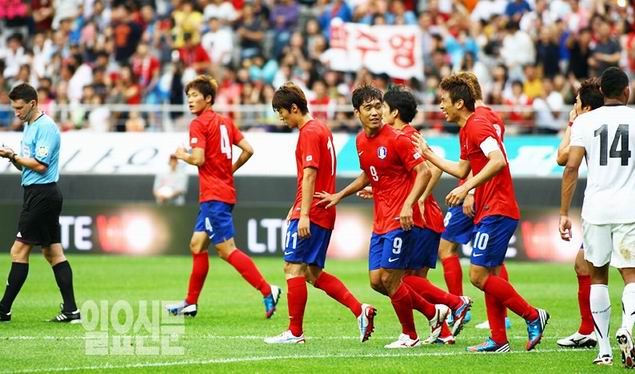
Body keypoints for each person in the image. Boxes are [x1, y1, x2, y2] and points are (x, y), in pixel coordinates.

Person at [413, 75, 549, 353]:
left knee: (477, 275)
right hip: (489, 208)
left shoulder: (478, 125)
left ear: (460, 103)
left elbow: (498, 160)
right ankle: (498, 339)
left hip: (497, 208)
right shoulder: (466, 129)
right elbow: (463, 170)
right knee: (490, 273)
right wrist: (428, 154)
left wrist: (468, 190)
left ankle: (533, 315)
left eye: (444, 101)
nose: (441, 106)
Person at [317, 84, 450, 349]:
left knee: (391, 278)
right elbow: (368, 173)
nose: (375, 112)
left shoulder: (398, 138)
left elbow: (424, 171)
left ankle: (409, 335)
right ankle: (434, 312)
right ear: (357, 113)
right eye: (369, 108)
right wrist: (339, 195)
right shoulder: (359, 141)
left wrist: (408, 205)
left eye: (379, 106)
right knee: (377, 281)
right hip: (380, 219)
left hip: (400, 220)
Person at [264, 82, 376, 344]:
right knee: (312, 273)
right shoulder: (321, 129)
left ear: (294, 107)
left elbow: (310, 174)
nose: (280, 117)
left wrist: (302, 214)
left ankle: (295, 332)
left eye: (282, 112)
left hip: (313, 212)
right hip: (322, 211)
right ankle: (360, 310)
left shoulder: (309, 132)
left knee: (292, 268)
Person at [364, 86, 473, 345]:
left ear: (394, 112)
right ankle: (442, 329)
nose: (379, 112)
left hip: (420, 218)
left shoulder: (406, 134)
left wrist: (420, 199)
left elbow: (431, 169)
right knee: (406, 281)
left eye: (383, 108)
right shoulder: (398, 135)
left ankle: (453, 303)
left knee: (403, 280)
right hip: (419, 218)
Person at [165, 75, 281, 319]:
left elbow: (198, 158)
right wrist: (230, 169)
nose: (190, 100)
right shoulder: (226, 122)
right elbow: (249, 149)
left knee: (227, 250)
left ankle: (267, 289)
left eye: (195, 95)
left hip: (213, 196)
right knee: (197, 245)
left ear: (208, 99)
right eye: (188, 96)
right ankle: (190, 302)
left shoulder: (198, 124)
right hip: (223, 192)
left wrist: (181, 154)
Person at [559, 67, 635, 367]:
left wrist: (564, 213)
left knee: (598, 278)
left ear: (601, 92)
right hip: (630, 208)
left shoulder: (586, 121)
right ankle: (627, 328)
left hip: (596, 209)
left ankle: (603, 350)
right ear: (626, 91)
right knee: (631, 275)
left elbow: (571, 166)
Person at [0, 83, 80, 323]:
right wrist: (12, 156)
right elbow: (28, 163)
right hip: (38, 193)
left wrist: (14, 156)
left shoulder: (45, 127)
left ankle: (3, 309)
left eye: (19, 107)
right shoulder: (30, 126)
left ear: (32, 104)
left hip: (42, 195)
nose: (16, 112)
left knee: (18, 250)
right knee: (53, 252)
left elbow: (40, 165)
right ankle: (71, 310)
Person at [555, 78, 604, 349]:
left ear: (585, 106)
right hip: (623, 204)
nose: (573, 106)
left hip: (603, 207)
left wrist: (572, 122)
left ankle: (597, 331)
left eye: (576, 102)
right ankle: (588, 330)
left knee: (615, 272)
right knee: (583, 263)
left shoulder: (585, 123)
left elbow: (562, 158)